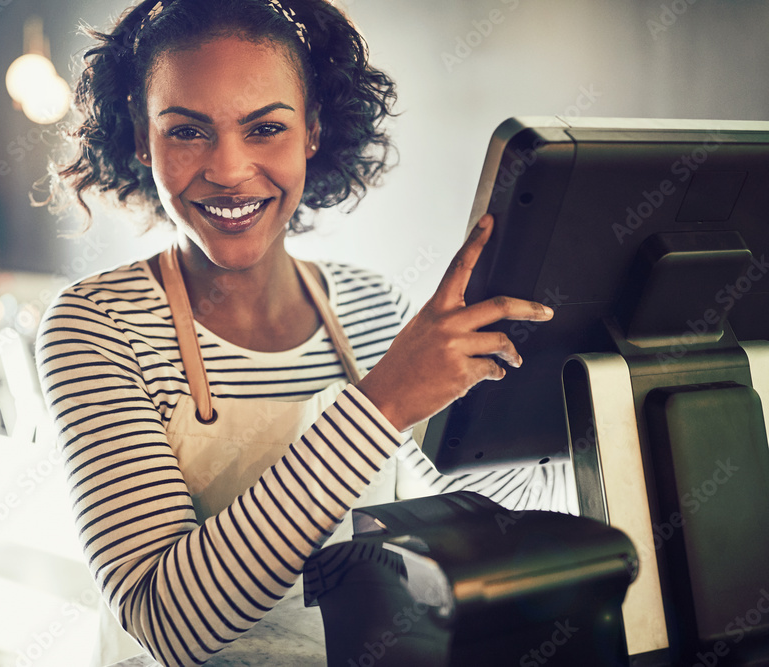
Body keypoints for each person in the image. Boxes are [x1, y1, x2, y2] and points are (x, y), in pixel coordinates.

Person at [35, 1, 565, 664]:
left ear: (312, 130)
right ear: (142, 140)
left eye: (265, 129)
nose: (229, 169)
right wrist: (384, 400)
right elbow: (165, 621)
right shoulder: (95, 328)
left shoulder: (375, 307)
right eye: (187, 132)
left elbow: (486, 501)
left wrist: (573, 393)